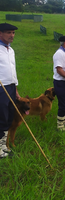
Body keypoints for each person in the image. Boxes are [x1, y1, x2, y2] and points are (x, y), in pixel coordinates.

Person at [0, 23, 20, 158]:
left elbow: (13, 71)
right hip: (1, 88)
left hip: (11, 87)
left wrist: (16, 88)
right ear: (0, 33)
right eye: (8, 32)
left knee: (9, 117)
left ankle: (3, 145)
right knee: (1, 116)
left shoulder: (10, 50)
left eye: (13, 33)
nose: (11, 35)